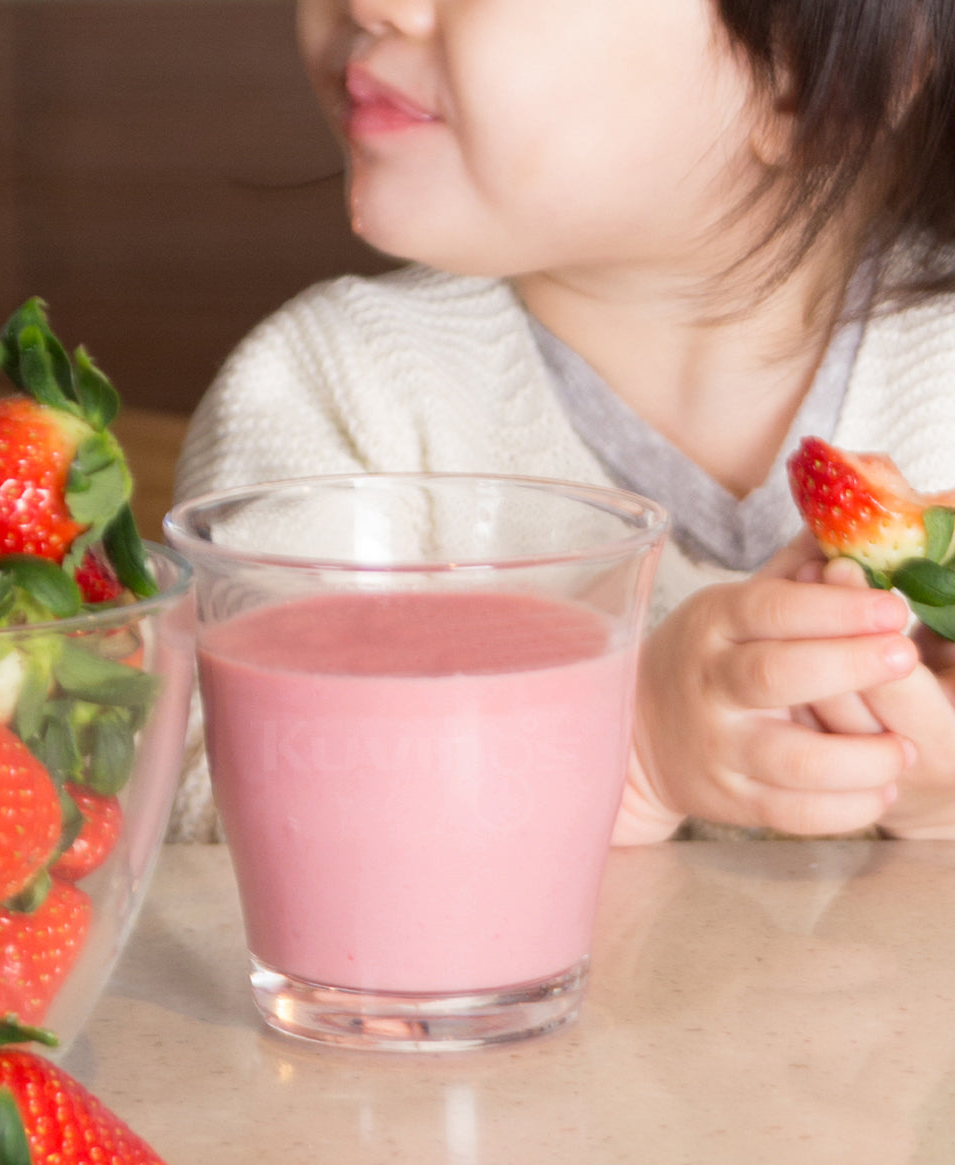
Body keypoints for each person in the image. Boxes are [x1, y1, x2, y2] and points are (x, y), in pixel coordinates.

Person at [170, 0, 955, 844]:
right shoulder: (334, 393)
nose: (370, 5)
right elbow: (208, 813)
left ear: (813, 86)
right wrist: (625, 751)